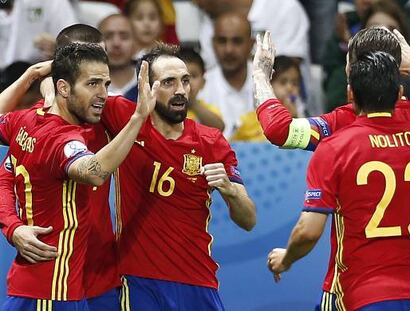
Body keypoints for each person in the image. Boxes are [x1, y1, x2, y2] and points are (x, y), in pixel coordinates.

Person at [253, 28, 410, 310]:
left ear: (352, 77)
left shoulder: (342, 126)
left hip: (357, 288)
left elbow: (279, 129)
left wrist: (260, 76)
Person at [0, 43, 158, 310]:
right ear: (63, 88)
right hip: (52, 290)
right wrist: (139, 116)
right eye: (92, 84)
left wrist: (30, 76)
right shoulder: (61, 139)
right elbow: (94, 173)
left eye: (106, 84)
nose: (103, 94)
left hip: (45, 285)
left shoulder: (24, 121)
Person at [100, 42, 256, 310]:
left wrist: (229, 189)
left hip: (199, 280)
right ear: (146, 87)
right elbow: (73, 87)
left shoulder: (211, 141)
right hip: (138, 280)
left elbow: (249, 220)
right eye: (169, 82)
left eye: (185, 81)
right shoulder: (126, 118)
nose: (181, 90)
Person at [198, 12, 255, 138]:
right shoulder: (200, 87)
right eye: (222, 41)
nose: (229, 49)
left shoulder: (269, 83)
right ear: (213, 44)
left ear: (251, 45)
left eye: (237, 41)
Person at [178, 46, 225, 131]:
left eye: (193, 76)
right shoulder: (166, 107)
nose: (188, 81)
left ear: (203, 83)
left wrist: (193, 104)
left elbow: (219, 128)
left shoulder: (206, 109)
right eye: (182, 76)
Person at [98, 14, 138, 102]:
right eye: (108, 37)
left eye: (124, 37)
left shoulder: (151, 82)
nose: (116, 43)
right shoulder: (87, 87)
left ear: (135, 43)